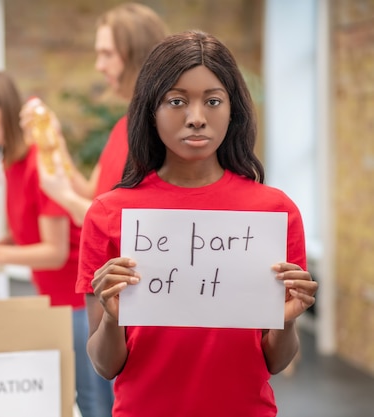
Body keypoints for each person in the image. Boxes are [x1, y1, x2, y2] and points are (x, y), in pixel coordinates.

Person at [76, 31, 319, 416]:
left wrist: (287, 322)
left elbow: (276, 363)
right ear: (149, 110)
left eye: (213, 101)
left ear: (233, 110)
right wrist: (111, 316)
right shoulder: (109, 214)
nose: (196, 118)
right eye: (176, 101)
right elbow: (104, 366)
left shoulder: (274, 212)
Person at [0, 71, 112, 417]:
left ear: (8, 112)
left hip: (78, 301)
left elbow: (54, 252)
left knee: (94, 403)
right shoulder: (12, 164)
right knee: (78, 398)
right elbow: (27, 231)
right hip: (54, 300)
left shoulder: (39, 164)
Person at [24, 2, 168, 226]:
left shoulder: (159, 132)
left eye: (107, 54)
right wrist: (55, 141)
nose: (99, 66)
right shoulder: (124, 125)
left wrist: (64, 196)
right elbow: (93, 193)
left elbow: (125, 225)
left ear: (138, 55)